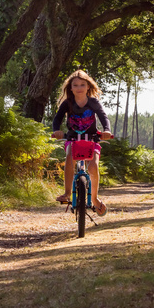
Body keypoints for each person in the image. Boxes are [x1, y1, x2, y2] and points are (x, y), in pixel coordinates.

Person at [51, 69, 113, 216]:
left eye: (82, 85)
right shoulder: (68, 103)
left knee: (93, 166)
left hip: (92, 138)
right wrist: (56, 131)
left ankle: (95, 199)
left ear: (88, 87)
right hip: (72, 138)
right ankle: (67, 193)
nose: (79, 88)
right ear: (70, 88)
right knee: (69, 157)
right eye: (76, 85)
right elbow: (57, 119)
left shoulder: (93, 102)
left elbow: (104, 117)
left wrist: (107, 131)